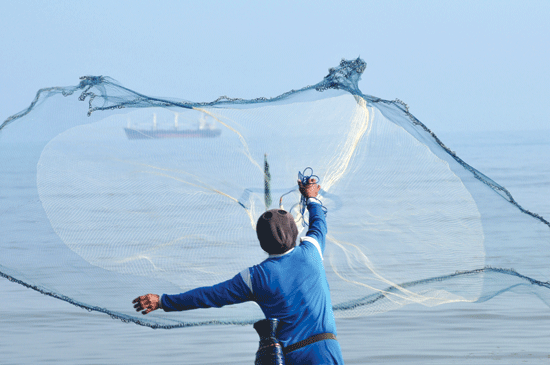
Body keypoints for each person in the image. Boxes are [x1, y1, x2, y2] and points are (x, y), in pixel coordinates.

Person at [133, 177, 344, 364]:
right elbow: (319, 223)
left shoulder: (255, 278)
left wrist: (162, 301)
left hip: (290, 356)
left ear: (262, 242)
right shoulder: (312, 251)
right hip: (327, 350)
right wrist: (311, 197)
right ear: (295, 231)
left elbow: (209, 296)